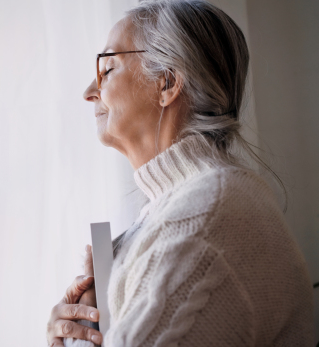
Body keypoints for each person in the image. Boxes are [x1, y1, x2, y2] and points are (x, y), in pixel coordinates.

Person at [46, 1, 314, 346]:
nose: (88, 93)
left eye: (107, 68)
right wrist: (73, 333)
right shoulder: (177, 213)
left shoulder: (207, 215)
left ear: (167, 82)